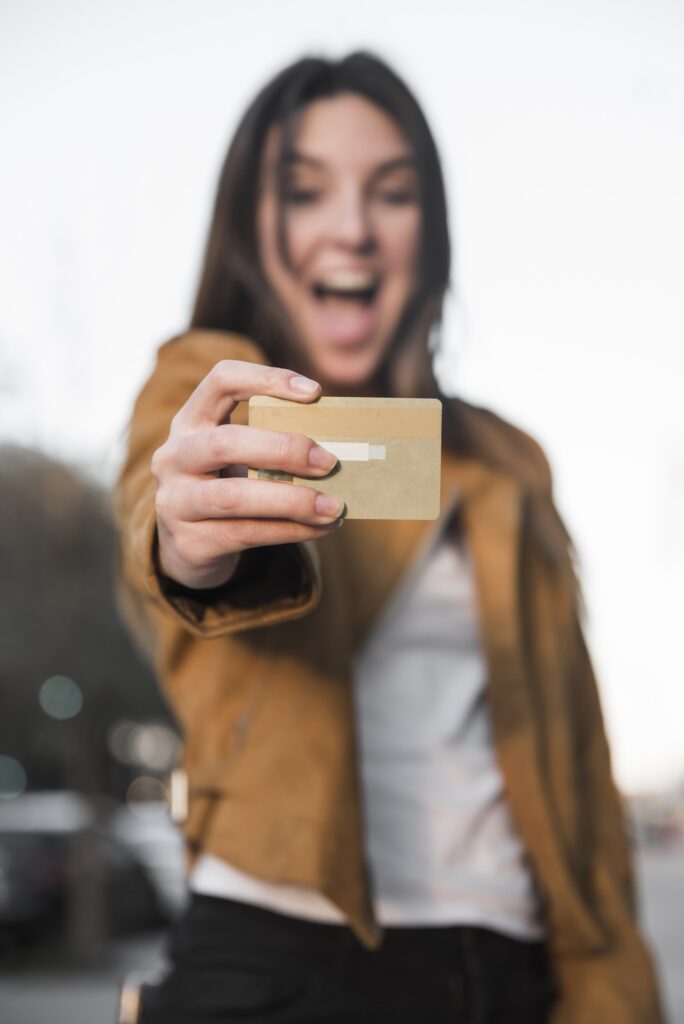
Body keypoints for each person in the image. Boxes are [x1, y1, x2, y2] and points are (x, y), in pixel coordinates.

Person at [114, 52, 663, 1023]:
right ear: (252, 226)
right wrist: (189, 542)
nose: (354, 226)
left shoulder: (507, 462)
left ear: (432, 231)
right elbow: (155, 528)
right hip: (279, 961)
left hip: (510, 972)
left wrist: (611, 988)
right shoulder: (206, 386)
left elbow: (576, 764)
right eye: (305, 190)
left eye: (393, 193)